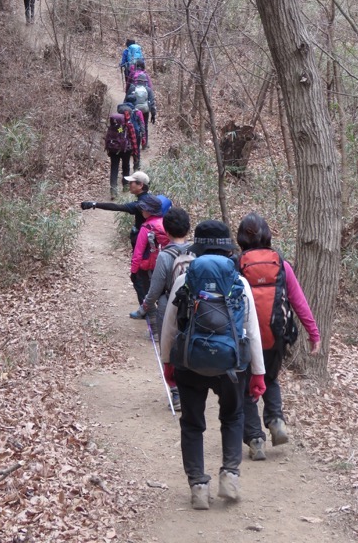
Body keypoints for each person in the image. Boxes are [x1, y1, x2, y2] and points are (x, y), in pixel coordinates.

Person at [161, 220, 266, 510]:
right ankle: (230, 476)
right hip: (232, 366)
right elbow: (252, 329)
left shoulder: (186, 277)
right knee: (232, 418)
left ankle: (197, 487)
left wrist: (168, 361)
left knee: (192, 424)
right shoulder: (239, 281)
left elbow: (170, 325)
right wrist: (258, 372)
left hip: (190, 363)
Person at [237, 212, 321, 461]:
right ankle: (276, 421)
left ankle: (255, 440)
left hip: (245, 338)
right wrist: (313, 333)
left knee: (245, 388)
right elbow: (299, 301)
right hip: (276, 336)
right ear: (267, 234)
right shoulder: (281, 264)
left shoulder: (236, 263)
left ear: (241, 237)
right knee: (270, 379)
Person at [140, 207, 192, 411]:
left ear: (167, 232)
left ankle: (176, 392)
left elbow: (155, 289)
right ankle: (190, 389)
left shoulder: (164, 256)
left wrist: (145, 305)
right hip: (194, 306)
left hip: (168, 306)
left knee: (168, 348)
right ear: (187, 229)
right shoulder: (195, 252)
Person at [80, 170, 151, 249]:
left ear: (140, 185)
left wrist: (94, 204)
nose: (129, 184)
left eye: (131, 182)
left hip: (142, 241)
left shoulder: (140, 204)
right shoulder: (151, 199)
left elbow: (117, 207)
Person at [129, 194, 169, 318]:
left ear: (150, 211)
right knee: (162, 294)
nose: (142, 211)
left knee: (146, 293)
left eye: (144, 208)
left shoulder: (147, 227)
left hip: (147, 266)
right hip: (165, 264)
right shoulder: (164, 223)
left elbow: (138, 252)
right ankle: (162, 319)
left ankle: (148, 317)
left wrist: (134, 271)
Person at [103, 113, 138, 199]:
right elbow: (133, 139)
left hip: (113, 150)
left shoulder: (113, 127)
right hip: (125, 150)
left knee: (114, 168)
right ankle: (126, 186)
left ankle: (113, 190)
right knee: (126, 166)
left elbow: (108, 138)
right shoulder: (127, 126)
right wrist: (135, 152)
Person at [126, 73, 156, 146]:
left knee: (132, 124)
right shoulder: (148, 90)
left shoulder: (132, 88)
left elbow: (126, 100)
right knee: (145, 125)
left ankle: (132, 141)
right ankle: (145, 143)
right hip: (145, 110)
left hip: (134, 110)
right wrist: (153, 115)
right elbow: (152, 103)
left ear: (137, 81)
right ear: (145, 82)